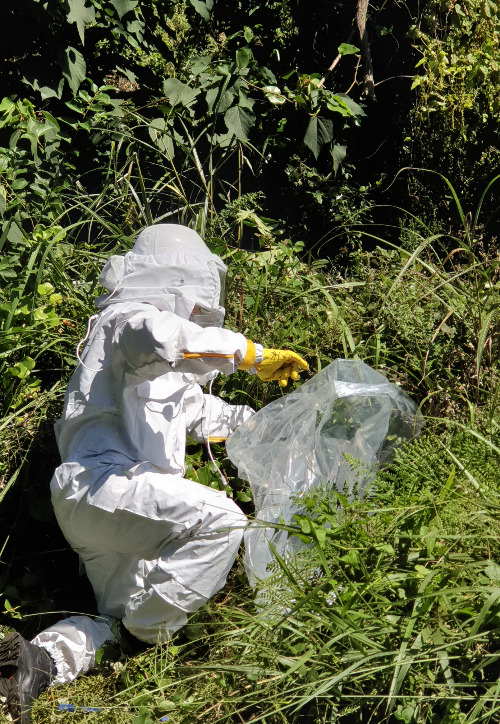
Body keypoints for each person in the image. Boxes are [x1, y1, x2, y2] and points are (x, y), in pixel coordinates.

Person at [0, 224, 308, 723]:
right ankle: (146, 640)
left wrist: (274, 425)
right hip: (102, 486)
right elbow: (163, 339)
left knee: (119, 620)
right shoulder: (124, 322)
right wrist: (247, 354)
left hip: (121, 509)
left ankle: (34, 664)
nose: (196, 315)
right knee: (221, 523)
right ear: (174, 283)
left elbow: (201, 413)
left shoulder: (162, 372)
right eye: (194, 305)